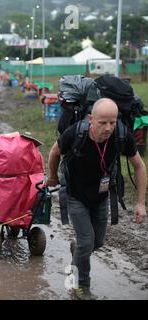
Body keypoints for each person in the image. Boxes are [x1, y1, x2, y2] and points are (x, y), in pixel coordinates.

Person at [47, 98, 146, 300]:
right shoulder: (76, 133)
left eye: (112, 121)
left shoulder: (121, 134)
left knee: (97, 242)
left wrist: (140, 203)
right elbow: (54, 152)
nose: (108, 128)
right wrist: (53, 176)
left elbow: (139, 166)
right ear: (91, 119)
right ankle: (78, 286)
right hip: (76, 195)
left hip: (101, 196)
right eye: (103, 122)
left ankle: (78, 254)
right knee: (86, 242)